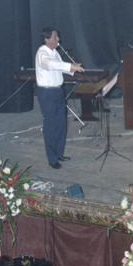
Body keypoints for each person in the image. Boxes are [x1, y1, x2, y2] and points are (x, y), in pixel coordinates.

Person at [35, 27, 84, 169]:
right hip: (47, 93)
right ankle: (52, 158)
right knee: (51, 126)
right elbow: (50, 64)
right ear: (47, 39)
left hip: (58, 91)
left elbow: (60, 67)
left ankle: (59, 153)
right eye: (55, 37)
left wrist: (73, 69)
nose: (58, 39)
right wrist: (69, 66)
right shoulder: (42, 53)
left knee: (61, 123)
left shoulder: (55, 52)